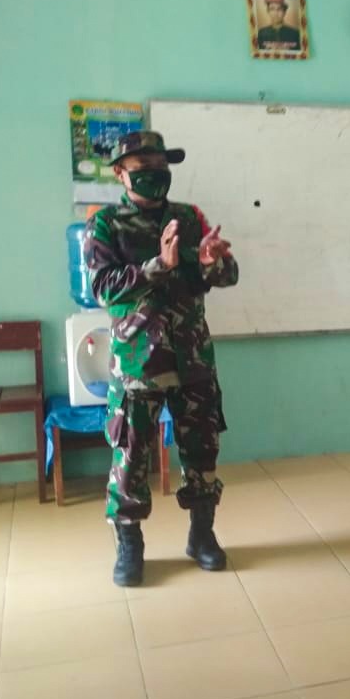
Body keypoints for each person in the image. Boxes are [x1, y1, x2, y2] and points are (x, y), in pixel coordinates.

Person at [84, 130, 239, 587]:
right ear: (120, 172)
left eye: (161, 165)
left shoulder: (190, 217)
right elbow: (104, 287)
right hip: (137, 363)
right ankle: (130, 546)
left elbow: (226, 275)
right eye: (143, 166)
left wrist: (212, 260)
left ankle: (202, 536)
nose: (155, 173)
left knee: (202, 452)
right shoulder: (106, 224)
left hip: (192, 356)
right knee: (131, 458)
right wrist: (160, 265)